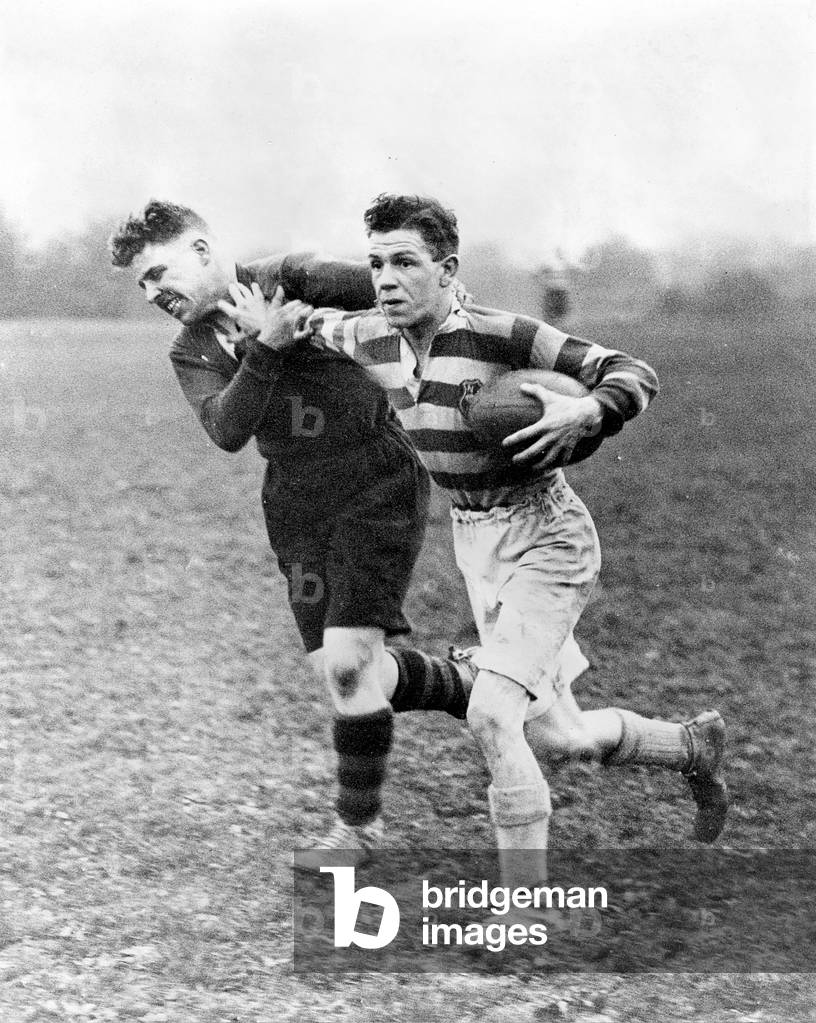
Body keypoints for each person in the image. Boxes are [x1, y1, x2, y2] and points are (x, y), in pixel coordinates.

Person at [224, 193, 728, 892]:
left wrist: (587, 405)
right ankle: (691, 746)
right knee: (561, 737)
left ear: (449, 269)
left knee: (493, 714)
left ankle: (530, 906)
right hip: (475, 542)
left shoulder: (503, 334)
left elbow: (632, 372)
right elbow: (295, 334)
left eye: (406, 261)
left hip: (546, 534)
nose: (387, 278)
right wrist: (260, 324)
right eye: (375, 264)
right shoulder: (368, 334)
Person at [108, 200, 475, 866]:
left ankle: (357, 831)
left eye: (159, 271)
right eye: (141, 284)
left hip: (375, 478)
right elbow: (226, 427)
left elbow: (394, 290)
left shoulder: (295, 276)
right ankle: (469, 685)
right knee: (350, 676)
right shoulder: (189, 347)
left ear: (200, 249)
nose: (153, 292)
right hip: (296, 503)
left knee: (346, 667)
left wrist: (337, 326)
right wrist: (267, 349)